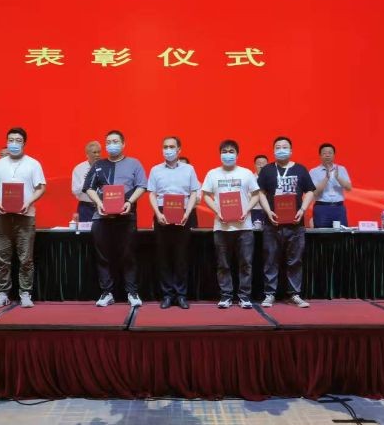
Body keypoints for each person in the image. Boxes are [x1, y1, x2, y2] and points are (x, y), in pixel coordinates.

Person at [83, 130, 147, 307]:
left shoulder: (134, 164)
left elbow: (142, 185)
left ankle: (132, 292)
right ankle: (107, 293)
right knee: (103, 257)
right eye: (109, 142)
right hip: (101, 218)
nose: (112, 145)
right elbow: (88, 187)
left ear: (123, 144)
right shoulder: (99, 165)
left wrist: (129, 202)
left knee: (128, 255)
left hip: (126, 217)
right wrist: (98, 203)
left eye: (115, 141)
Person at [0, 127, 47, 308]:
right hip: (2, 216)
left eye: (18, 141)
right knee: (2, 258)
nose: (14, 143)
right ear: (6, 142)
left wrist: (29, 202)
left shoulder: (33, 164)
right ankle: (3, 294)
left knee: (25, 258)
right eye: (11, 140)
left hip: (25, 217)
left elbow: (41, 187)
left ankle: (25, 293)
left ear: (24, 143)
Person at [256, 137, 315, 309]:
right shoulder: (267, 170)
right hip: (272, 224)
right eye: (278, 147)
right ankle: (269, 294)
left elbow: (310, 191)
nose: (281, 149)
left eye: (285, 147)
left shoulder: (300, 169)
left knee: (295, 261)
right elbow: (260, 193)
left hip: (296, 225)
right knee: (270, 260)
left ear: (291, 150)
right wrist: (268, 211)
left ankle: (295, 294)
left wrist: (302, 209)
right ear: (273, 150)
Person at [202, 140, 260, 309]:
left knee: (246, 263)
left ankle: (244, 296)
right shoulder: (212, 174)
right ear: (220, 154)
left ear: (237, 154)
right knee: (223, 264)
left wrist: (246, 210)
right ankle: (226, 296)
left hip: (244, 227)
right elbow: (205, 195)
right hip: (221, 227)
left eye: (231, 151)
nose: (228, 154)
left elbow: (256, 194)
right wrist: (217, 211)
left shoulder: (246, 173)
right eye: (224, 151)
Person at [147, 136, 200, 309]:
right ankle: (167, 295)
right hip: (162, 213)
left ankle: (181, 295)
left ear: (179, 150)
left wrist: (187, 213)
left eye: (171, 147)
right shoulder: (155, 170)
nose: (168, 150)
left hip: (183, 213)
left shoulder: (189, 169)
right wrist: (157, 213)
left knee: (181, 257)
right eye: (165, 147)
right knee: (163, 257)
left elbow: (193, 192)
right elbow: (152, 193)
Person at [309, 143, 352, 228]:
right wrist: (326, 178)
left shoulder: (341, 169)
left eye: (330, 153)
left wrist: (338, 177)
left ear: (334, 155)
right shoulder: (313, 171)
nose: (327, 155)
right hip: (322, 208)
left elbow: (349, 188)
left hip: (339, 208)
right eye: (324, 153)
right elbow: (315, 193)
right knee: (322, 234)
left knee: (341, 233)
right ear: (320, 155)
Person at [71, 141, 101, 223]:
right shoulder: (79, 169)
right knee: (85, 231)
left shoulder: (105, 166)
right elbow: (75, 191)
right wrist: (87, 180)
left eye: (99, 152)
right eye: (94, 152)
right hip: (85, 207)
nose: (97, 155)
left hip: (102, 206)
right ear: (87, 154)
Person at [250, 154, 270, 226]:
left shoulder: (272, 178)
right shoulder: (250, 179)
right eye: (259, 164)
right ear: (255, 165)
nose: (261, 166)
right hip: (254, 210)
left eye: (264, 164)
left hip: (269, 210)